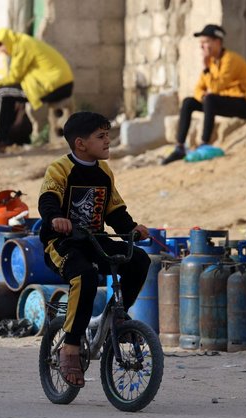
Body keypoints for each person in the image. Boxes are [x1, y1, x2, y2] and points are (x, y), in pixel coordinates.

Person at [38, 111, 151, 388]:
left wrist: (132, 228)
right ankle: (71, 347)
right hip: (62, 243)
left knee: (138, 259)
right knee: (84, 276)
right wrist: (56, 219)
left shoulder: (104, 172)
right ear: (80, 144)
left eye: (107, 136)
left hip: (94, 240)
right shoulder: (59, 169)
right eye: (101, 137)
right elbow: (48, 200)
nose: (107, 141)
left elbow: (115, 211)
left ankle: (118, 316)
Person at [162, 24, 246, 165]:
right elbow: (198, 89)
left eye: (205, 42)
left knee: (210, 98)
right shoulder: (212, 62)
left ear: (217, 42)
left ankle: (204, 144)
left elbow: (216, 87)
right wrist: (203, 96)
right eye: (201, 43)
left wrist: (205, 70)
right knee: (189, 102)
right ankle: (180, 147)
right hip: (224, 101)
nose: (202, 47)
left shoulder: (230, 59)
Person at [0, 28, 74, 153]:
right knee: (7, 94)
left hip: (53, 86)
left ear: (5, 41)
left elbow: (14, 76)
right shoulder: (25, 42)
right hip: (59, 84)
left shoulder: (23, 45)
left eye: (0, 47)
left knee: (2, 94)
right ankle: (4, 140)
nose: (2, 51)